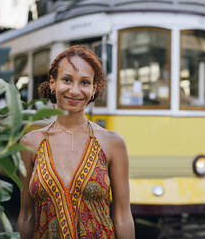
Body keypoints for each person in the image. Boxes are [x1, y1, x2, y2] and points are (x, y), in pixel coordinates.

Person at [17, 45, 135, 238]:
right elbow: (26, 216)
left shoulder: (112, 143)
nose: (75, 90)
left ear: (94, 88)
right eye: (67, 80)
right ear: (53, 83)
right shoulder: (31, 143)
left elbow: (122, 216)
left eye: (85, 82)